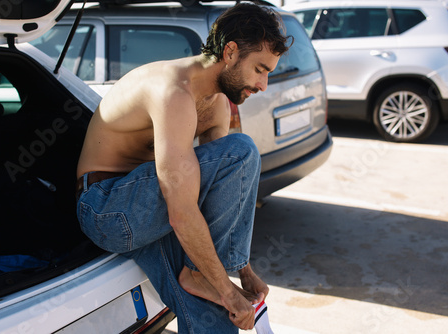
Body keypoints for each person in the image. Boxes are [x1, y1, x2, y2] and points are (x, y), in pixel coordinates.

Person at [75, 3, 291, 332]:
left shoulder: (218, 103)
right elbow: (181, 210)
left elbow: (224, 197)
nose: (263, 85)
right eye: (260, 69)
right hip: (107, 209)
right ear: (231, 52)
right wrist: (223, 284)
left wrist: (241, 271)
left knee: (212, 312)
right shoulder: (172, 91)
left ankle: (200, 278)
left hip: (151, 209)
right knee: (240, 150)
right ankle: (201, 276)